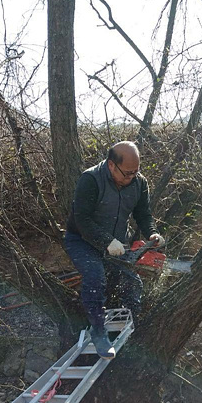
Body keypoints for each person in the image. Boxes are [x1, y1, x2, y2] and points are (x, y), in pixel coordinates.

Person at [64, 141, 164, 359]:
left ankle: (135, 330)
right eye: (127, 173)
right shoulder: (90, 180)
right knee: (95, 277)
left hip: (116, 244)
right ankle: (98, 332)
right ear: (111, 165)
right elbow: (82, 219)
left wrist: (152, 233)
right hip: (82, 240)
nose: (131, 178)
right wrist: (106, 241)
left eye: (135, 172)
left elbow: (143, 214)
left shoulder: (139, 183)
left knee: (132, 283)